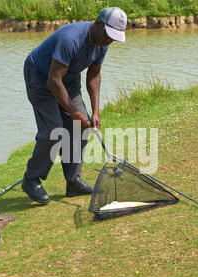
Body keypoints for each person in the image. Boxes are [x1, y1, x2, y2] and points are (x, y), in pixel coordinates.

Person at [21, 7, 127, 204]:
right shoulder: (71, 39)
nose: (109, 41)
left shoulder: (103, 43)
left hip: (69, 78)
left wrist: (95, 111)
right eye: (108, 35)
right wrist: (73, 111)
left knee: (82, 126)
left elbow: (94, 75)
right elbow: (53, 81)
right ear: (97, 23)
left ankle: (73, 181)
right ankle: (31, 179)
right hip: (41, 75)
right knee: (54, 129)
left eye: (113, 38)